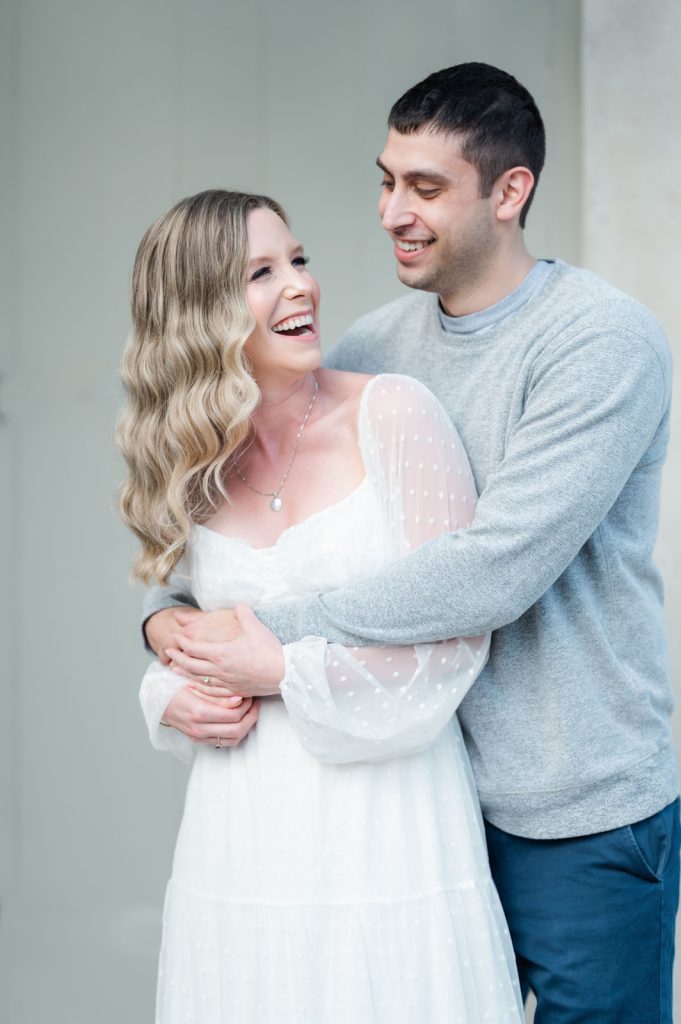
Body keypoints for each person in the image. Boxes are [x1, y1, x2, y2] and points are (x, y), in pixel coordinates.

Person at [143, 64, 680, 1023]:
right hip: (422, 795)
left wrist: (265, 635)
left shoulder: (599, 342)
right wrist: (162, 628)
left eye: (425, 188)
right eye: (386, 180)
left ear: (509, 192)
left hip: (574, 804)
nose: (392, 211)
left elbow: (493, 569)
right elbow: (258, 522)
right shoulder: (368, 347)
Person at [118, 188, 524, 1022]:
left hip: (389, 824)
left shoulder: (393, 415)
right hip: (241, 832)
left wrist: (278, 669)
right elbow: (182, 620)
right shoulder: (193, 463)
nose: (299, 287)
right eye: (259, 274)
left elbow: (452, 641)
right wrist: (173, 695)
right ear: (198, 313)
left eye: (296, 260)